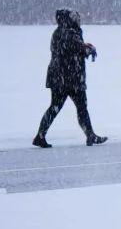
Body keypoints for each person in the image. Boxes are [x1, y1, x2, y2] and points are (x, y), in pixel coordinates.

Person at [33, 9, 108, 148]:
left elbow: (72, 49)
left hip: (60, 77)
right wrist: (89, 49)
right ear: (68, 19)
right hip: (69, 78)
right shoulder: (69, 33)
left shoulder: (60, 32)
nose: (77, 20)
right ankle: (90, 135)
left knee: (57, 107)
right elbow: (76, 49)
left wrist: (85, 48)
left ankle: (41, 135)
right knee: (79, 107)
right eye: (74, 18)